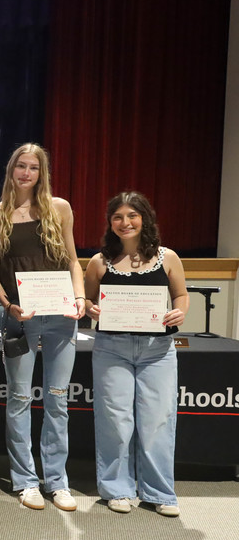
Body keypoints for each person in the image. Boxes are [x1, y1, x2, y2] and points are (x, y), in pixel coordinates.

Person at [0, 143, 85, 511]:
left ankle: (57, 481)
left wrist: (80, 298)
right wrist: (8, 304)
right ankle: (25, 481)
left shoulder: (60, 209)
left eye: (34, 168)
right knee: (20, 399)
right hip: (18, 318)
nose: (26, 173)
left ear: (42, 173)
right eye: (20, 166)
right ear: (11, 170)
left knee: (57, 399)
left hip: (61, 318)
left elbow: (73, 260)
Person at [84, 192, 188, 517]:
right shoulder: (99, 262)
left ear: (145, 218)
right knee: (115, 419)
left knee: (157, 419)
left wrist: (179, 313)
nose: (125, 223)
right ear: (110, 223)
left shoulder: (167, 257)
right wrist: (92, 308)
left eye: (132, 215)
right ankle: (118, 488)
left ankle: (159, 492)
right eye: (118, 217)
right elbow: (86, 302)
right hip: (111, 348)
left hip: (157, 350)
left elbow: (181, 295)